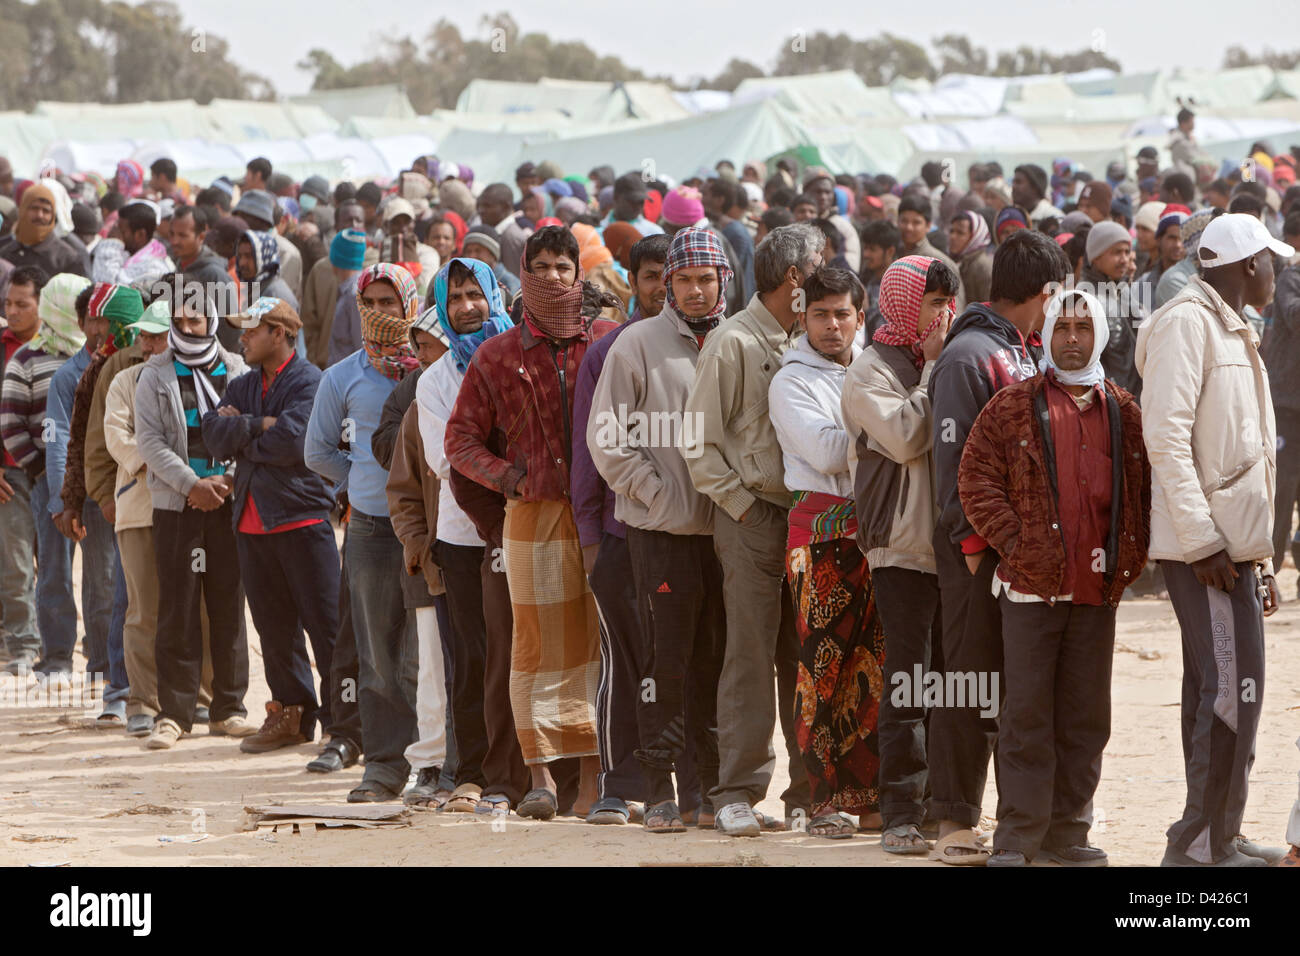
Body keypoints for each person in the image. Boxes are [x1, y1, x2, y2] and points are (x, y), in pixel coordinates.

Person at [958, 289, 1150, 867]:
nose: (1071, 337)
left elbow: (1141, 494)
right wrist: (1019, 544)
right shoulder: (1013, 405)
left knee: (1086, 717)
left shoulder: (1124, 410)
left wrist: (1128, 560)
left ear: (1100, 335)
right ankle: (1017, 837)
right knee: (1025, 716)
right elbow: (974, 478)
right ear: (1045, 333)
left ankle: (1069, 832)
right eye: (1061, 326)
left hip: (1097, 593)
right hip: (1029, 591)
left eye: (1082, 327)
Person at [444, 226, 618, 820]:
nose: (551, 277)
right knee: (535, 649)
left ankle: (595, 782)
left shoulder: (605, 341)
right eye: (538, 266)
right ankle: (540, 777)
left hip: (601, 518)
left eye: (562, 266)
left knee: (597, 643)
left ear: (578, 272)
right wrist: (510, 481)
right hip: (531, 519)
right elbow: (460, 444)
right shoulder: (497, 355)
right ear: (523, 273)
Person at [1136, 213, 1292, 867]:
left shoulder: (1233, 327)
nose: (1277, 273)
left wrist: (1259, 559)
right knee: (1231, 691)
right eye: (1269, 261)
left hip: (1233, 550)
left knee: (1229, 689)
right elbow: (1165, 436)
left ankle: (1219, 833)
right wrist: (1202, 541)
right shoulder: (1186, 324)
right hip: (1206, 553)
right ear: (1245, 264)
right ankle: (1201, 842)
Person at [927, 229, 1070, 864]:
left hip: (1022, 555)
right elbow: (954, 464)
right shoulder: (971, 357)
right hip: (977, 555)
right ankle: (953, 819)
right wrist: (975, 546)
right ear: (1046, 292)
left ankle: (1016, 816)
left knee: (1016, 686)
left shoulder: (1022, 349)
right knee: (968, 680)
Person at [587, 228, 732, 833]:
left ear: (724, 280)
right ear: (665, 284)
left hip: (725, 535)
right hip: (660, 533)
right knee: (661, 664)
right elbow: (608, 438)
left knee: (713, 662)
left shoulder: (737, 340)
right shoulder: (635, 345)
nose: (695, 291)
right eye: (683, 280)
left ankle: (705, 792)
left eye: (706, 279)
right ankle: (659, 788)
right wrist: (657, 493)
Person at [683, 222, 824, 836]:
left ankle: (807, 790)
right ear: (793, 279)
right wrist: (741, 507)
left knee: (806, 657)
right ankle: (737, 791)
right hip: (753, 517)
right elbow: (698, 443)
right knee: (748, 653)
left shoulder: (814, 336)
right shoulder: (734, 343)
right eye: (817, 267)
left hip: (810, 518)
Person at [767, 265, 889, 839]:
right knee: (821, 671)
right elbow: (826, 449)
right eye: (820, 315)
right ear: (803, 318)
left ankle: (868, 797)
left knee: (871, 668)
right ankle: (820, 800)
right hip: (818, 540)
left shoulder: (874, 367)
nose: (832, 325)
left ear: (860, 316)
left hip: (873, 535)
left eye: (843, 313)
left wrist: (879, 423)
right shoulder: (791, 380)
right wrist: (885, 425)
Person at [842, 254, 956, 853]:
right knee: (910, 678)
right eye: (933, 302)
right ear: (906, 304)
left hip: (951, 546)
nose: (943, 314)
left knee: (951, 678)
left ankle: (945, 803)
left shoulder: (940, 360)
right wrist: (934, 368)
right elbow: (909, 436)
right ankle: (900, 812)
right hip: (902, 546)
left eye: (947, 301)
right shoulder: (870, 370)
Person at [200, 297, 339, 753]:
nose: (242, 338)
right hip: (252, 523)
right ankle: (293, 717)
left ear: (278, 333)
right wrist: (259, 426)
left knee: (326, 626)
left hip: (302, 517)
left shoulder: (311, 380)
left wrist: (242, 433)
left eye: (251, 330)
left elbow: (295, 443)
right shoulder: (243, 384)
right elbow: (211, 435)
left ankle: (345, 724)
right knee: (274, 630)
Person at [306, 263, 421, 801]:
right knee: (377, 656)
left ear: (409, 305)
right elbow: (317, 451)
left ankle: (437, 763)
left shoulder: (435, 366)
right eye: (369, 302)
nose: (379, 312)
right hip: (372, 529)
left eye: (388, 301)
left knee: (430, 654)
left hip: (430, 528)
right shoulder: (343, 376)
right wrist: (364, 478)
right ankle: (384, 767)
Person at [134, 288, 256, 749]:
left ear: (212, 321)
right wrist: (192, 486)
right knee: (178, 607)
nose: (188, 330)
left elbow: (247, 431)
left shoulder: (238, 370)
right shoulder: (155, 374)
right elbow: (150, 442)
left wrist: (224, 480)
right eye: (180, 323)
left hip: (228, 504)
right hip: (177, 507)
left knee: (228, 604)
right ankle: (175, 714)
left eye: (197, 321)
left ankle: (229, 708)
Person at [101, 300, 213, 736]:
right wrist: (165, 465)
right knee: (144, 608)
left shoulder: (205, 378)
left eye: (158, 335)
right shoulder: (125, 381)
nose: (149, 343)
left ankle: (200, 698)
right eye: (145, 335)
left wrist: (184, 476)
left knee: (196, 606)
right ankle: (143, 702)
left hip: (194, 509)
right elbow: (118, 437)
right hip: (141, 510)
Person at [48, 282, 142, 716]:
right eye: (89, 319)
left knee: (141, 592)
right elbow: (74, 444)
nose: (96, 328)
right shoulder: (77, 374)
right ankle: (107, 679)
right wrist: (70, 500)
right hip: (98, 499)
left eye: (105, 319)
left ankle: (141, 682)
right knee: (103, 589)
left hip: (145, 497)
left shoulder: (148, 365)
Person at [1079, 220, 1143, 397]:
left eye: (1126, 252)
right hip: (1109, 398)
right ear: (1096, 257)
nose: (1124, 259)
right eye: (1116, 253)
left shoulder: (1122, 290)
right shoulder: (1086, 299)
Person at [0, 183, 86, 278]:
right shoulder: (6, 251)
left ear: (52, 216)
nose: (40, 215)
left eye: (46, 211)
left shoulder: (67, 259)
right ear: (22, 210)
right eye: (34, 208)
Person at [897, 195, 965, 314]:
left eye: (916, 222)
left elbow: (955, 309)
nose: (909, 227)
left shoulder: (938, 261)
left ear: (928, 226)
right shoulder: (895, 254)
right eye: (904, 221)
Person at [476, 184, 532, 282]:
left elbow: (514, 282)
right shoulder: (502, 233)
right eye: (480, 206)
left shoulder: (510, 237)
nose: (481, 211)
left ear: (506, 207)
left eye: (487, 206)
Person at [947, 210, 994, 304]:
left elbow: (990, 307)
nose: (952, 236)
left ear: (975, 236)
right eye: (952, 231)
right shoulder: (954, 261)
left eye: (960, 233)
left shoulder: (983, 267)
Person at [602, 172, 663, 238]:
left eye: (641, 202)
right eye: (633, 201)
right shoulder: (598, 231)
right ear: (616, 197)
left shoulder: (654, 233)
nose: (638, 207)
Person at [1170, 109, 1198, 181]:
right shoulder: (1179, 139)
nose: (1193, 124)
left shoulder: (1187, 136)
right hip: (1184, 175)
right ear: (1183, 123)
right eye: (1191, 121)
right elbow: (1193, 157)